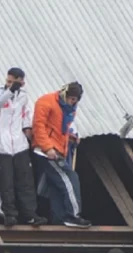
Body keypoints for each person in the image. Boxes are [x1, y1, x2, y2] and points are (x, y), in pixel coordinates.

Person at [0, 68, 45, 227]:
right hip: (1, 145)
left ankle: (30, 215)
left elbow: (26, 114)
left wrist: (28, 130)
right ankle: (8, 214)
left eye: (14, 82)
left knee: (25, 182)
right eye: (8, 81)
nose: (10, 84)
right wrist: (9, 91)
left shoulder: (24, 96)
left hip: (19, 145)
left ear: (22, 82)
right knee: (5, 183)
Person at [32, 82, 91, 228]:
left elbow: (61, 129)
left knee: (56, 185)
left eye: (75, 100)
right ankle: (73, 215)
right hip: (47, 151)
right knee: (69, 178)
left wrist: (71, 137)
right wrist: (47, 147)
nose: (73, 102)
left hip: (59, 149)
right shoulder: (46, 102)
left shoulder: (69, 109)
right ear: (66, 95)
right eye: (71, 99)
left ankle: (59, 218)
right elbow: (38, 126)